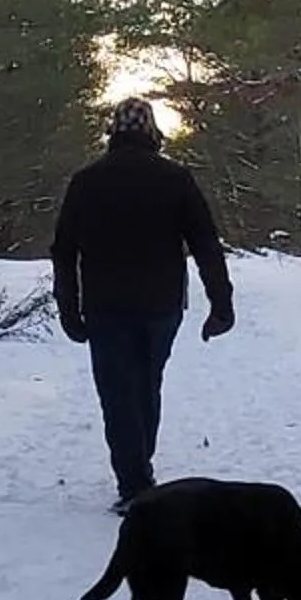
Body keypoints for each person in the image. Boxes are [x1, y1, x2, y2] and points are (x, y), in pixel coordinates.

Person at [50, 96, 235, 509]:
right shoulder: (175, 179)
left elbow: (64, 250)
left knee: (118, 392)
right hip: (162, 304)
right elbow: (205, 243)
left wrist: (69, 308)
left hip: (105, 305)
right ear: (152, 132)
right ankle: (139, 469)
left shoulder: (87, 181)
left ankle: (133, 482)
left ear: (112, 132)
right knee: (147, 384)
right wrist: (221, 304)